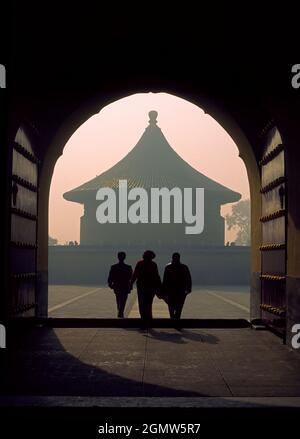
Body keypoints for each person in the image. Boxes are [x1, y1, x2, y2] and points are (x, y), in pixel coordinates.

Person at [131, 250, 161, 327]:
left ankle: (143, 320)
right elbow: (156, 276)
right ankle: (149, 319)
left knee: (142, 303)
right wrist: (160, 286)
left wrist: (131, 284)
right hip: (151, 287)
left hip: (141, 286)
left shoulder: (140, 263)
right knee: (148, 303)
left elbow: (135, 274)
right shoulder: (153, 264)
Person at [162, 252, 192, 325]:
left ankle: (172, 318)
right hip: (180, 289)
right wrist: (188, 288)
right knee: (179, 305)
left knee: (171, 304)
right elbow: (188, 278)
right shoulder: (184, 267)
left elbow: (165, 280)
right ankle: (177, 318)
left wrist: (163, 290)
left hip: (171, 289)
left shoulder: (168, 267)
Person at [108, 251, 133, 318]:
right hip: (125, 285)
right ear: (125, 257)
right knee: (123, 300)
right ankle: (121, 311)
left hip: (117, 285)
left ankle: (120, 311)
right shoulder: (128, 267)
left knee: (118, 299)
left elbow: (110, 276)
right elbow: (131, 277)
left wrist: (110, 284)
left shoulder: (114, 267)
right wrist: (130, 286)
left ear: (118, 257)